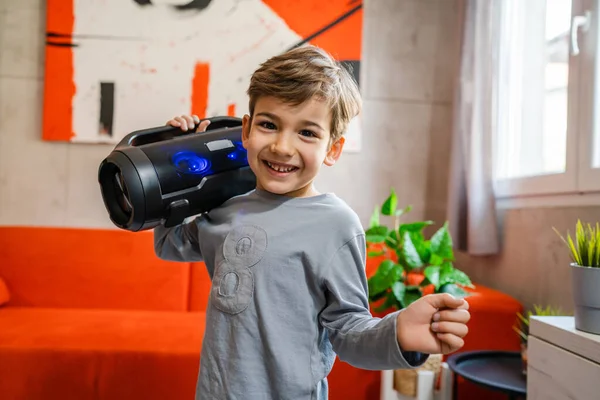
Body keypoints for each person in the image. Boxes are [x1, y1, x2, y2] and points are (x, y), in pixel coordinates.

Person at [154, 44, 470, 400]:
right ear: (246, 131)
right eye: (269, 125)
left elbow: (348, 330)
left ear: (332, 149)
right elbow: (170, 244)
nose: (283, 147)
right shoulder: (227, 209)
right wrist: (173, 168)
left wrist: (398, 333)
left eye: (307, 132)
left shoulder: (336, 225)